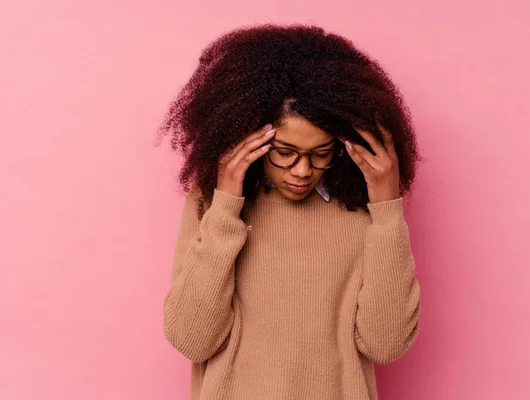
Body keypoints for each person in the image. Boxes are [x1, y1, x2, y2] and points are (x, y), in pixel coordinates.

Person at [158, 22, 422, 400]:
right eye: (285, 153)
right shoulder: (213, 204)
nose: (302, 171)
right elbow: (191, 339)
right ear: (252, 138)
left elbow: (387, 343)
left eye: (321, 154)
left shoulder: (366, 212)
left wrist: (387, 211)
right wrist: (227, 206)